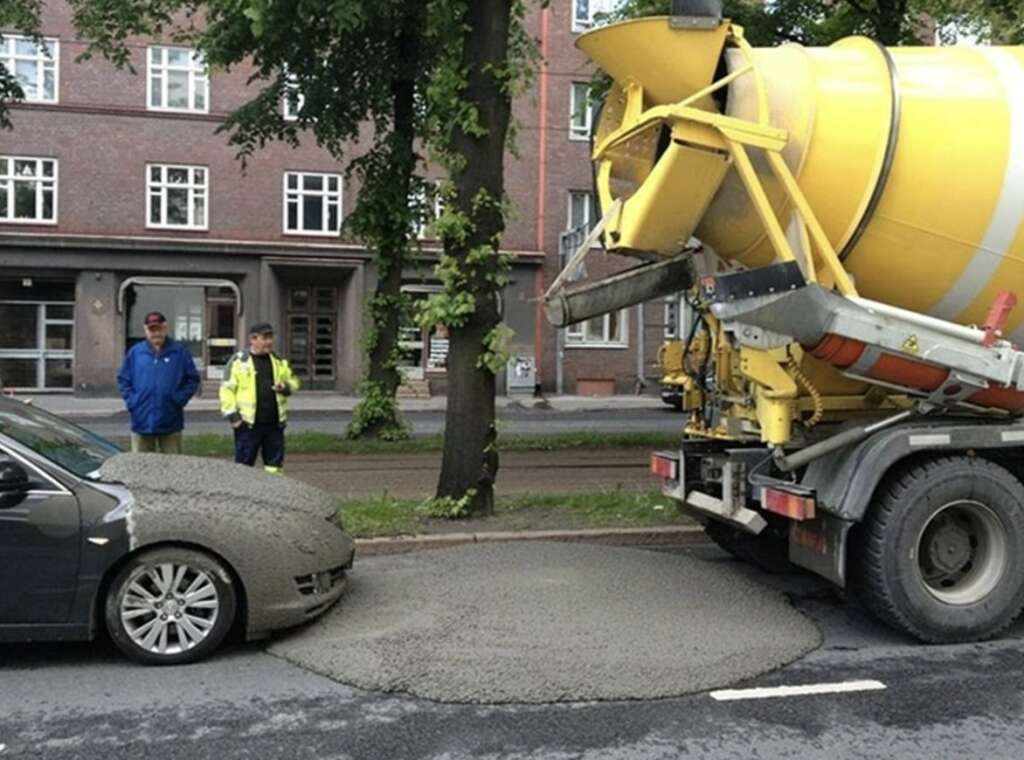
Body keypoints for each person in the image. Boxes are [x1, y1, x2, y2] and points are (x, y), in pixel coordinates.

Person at [219, 322, 300, 475]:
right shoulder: (238, 361)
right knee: (243, 467)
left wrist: (286, 387)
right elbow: (226, 390)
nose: (269, 341)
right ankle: (243, 495)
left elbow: (294, 381)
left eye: (270, 337)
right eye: (265, 338)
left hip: (274, 426)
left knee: (274, 467)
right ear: (253, 339)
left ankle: (272, 494)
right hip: (248, 426)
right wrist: (233, 417)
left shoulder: (278, 361)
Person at [117, 311, 200, 453]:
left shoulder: (179, 352)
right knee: (141, 467)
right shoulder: (136, 352)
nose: (156, 333)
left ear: (165, 327)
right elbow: (124, 379)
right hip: (141, 421)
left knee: (172, 467)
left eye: (159, 329)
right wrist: (133, 401)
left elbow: (192, 379)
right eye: (152, 330)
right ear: (145, 330)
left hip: (170, 420)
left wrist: (179, 399)